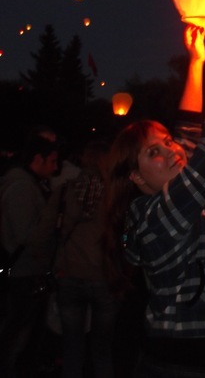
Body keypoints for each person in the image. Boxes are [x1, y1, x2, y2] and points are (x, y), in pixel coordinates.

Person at [104, 11, 205, 378]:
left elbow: (189, 135)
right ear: (135, 176)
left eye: (167, 142)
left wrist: (196, 62)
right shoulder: (159, 216)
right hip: (181, 367)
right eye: (154, 151)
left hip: (196, 362)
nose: (172, 151)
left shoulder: (159, 206)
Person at [32, 139, 117, 378]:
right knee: (102, 349)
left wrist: (46, 262)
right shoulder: (114, 195)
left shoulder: (65, 191)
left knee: (71, 347)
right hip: (104, 276)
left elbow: (41, 235)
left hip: (68, 274)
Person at [0, 134, 59, 378]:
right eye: (52, 161)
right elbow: (27, 235)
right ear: (37, 159)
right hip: (24, 271)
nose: (55, 167)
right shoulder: (23, 187)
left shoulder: (26, 184)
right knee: (18, 329)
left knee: (19, 327)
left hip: (25, 269)